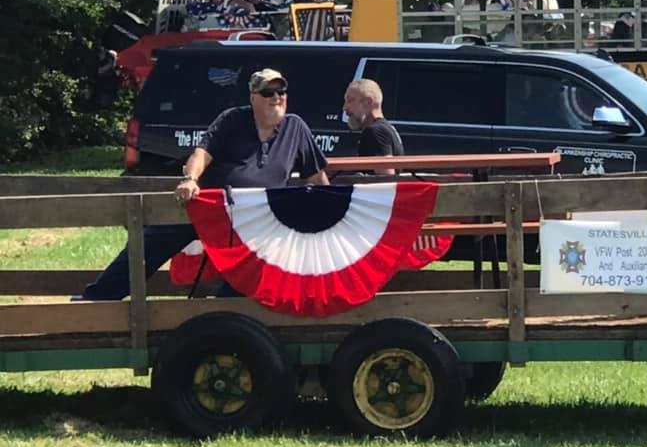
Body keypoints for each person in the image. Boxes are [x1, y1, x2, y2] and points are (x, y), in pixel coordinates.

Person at [79, 68, 329, 300]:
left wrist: (330, 206)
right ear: (253, 98)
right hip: (212, 207)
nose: (276, 97)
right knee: (151, 243)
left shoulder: (296, 127)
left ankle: (226, 314)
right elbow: (202, 153)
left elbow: (316, 177)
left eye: (281, 92)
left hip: (257, 218)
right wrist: (190, 180)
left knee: (254, 266)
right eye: (268, 92)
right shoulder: (232, 120)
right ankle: (98, 299)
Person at [343, 78, 404, 175]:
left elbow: (386, 178)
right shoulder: (387, 128)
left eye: (350, 100)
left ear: (368, 101)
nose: (345, 107)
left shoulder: (376, 131)